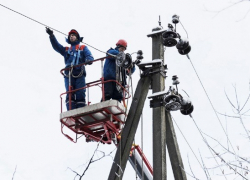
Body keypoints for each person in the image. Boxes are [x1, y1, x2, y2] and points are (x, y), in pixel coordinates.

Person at [46, 27, 94, 110]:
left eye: (73, 35)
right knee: (70, 92)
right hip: (69, 73)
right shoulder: (66, 50)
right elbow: (56, 46)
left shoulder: (83, 48)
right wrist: (51, 36)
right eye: (70, 35)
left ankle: (81, 109)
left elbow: (89, 56)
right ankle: (71, 110)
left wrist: (88, 60)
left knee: (80, 91)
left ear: (77, 37)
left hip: (80, 71)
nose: (71, 37)